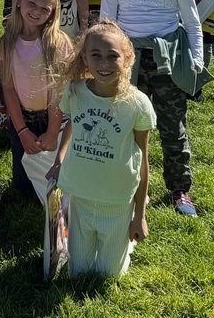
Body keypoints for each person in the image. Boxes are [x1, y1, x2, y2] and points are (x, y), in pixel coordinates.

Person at [100, 0, 205, 217]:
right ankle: (126, 186)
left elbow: (192, 23)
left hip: (167, 60)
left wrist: (196, 58)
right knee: (124, 125)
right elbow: (108, 24)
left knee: (172, 124)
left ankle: (180, 188)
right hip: (128, 61)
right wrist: (106, 63)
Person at [47, 21, 155, 277]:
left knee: (108, 275)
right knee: (78, 274)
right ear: (85, 57)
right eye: (96, 55)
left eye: (112, 56)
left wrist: (139, 215)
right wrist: (59, 160)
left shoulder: (138, 104)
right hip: (80, 194)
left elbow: (143, 159)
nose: (104, 64)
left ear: (127, 58)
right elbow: (73, 122)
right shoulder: (75, 90)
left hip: (117, 200)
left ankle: (123, 246)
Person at [0, 0, 73, 200]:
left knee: (57, 182)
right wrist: (22, 131)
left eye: (44, 9)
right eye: (32, 3)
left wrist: (52, 131)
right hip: (22, 118)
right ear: (19, 0)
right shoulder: (6, 42)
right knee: (22, 190)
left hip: (55, 119)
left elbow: (58, 91)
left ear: (52, 13)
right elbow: (8, 88)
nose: (36, 11)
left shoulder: (57, 42)